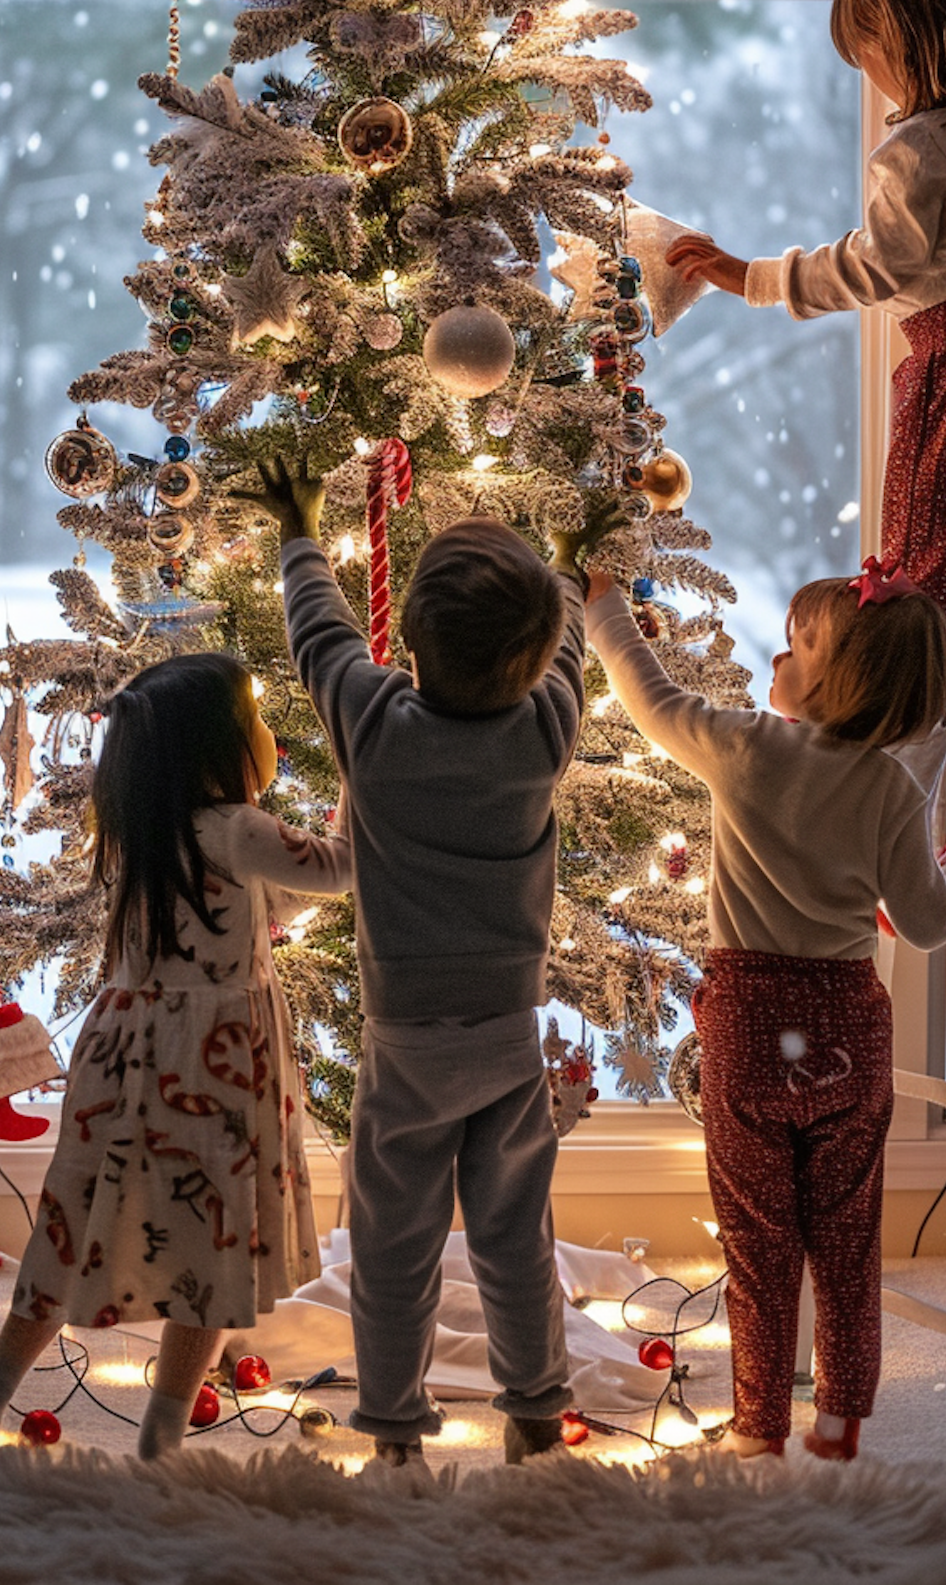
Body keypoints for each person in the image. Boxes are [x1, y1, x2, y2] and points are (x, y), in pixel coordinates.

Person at [666, 0, 946, 869]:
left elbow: (875, 267)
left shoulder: (918, 152)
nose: (872, 75)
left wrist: (750, 276)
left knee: (908, 608)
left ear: (924, 38)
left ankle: (881, 835)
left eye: (873, 51)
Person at [586, 556, 946, 1461]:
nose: (777, 657)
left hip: (748, 1027)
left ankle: (758, 1426)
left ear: (838, 677)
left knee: (758, 1240)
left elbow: (647, 694)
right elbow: (928, 923)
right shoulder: (895, 791)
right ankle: (844, 1416)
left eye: (797, 646)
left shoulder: (742, 747)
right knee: (847, 1236)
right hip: (848, 1027)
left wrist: (605, 604)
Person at [241, 454, 596, 1470]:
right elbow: (566, 658)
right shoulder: (542, 735)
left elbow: (320, 638)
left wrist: (301, 530)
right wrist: (567, 575)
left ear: (411, 646)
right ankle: (534, 1406)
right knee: (514, 1238)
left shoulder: (377, 727)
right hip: (506, 1038)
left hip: (406, 1046)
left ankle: (395, 1431)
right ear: (528, 662)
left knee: (393, 1249)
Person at [0, 652, 349, 1461]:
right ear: (216, 752)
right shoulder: (241, 830)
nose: (270, 737)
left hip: (124, 1051)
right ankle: (161, 1433)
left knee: (76, 1224)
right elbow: (340, 869)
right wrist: (360, 770)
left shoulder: (144, 829)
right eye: (259, 724)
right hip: (215, 1064)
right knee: (210, 1250)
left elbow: (284, 894)